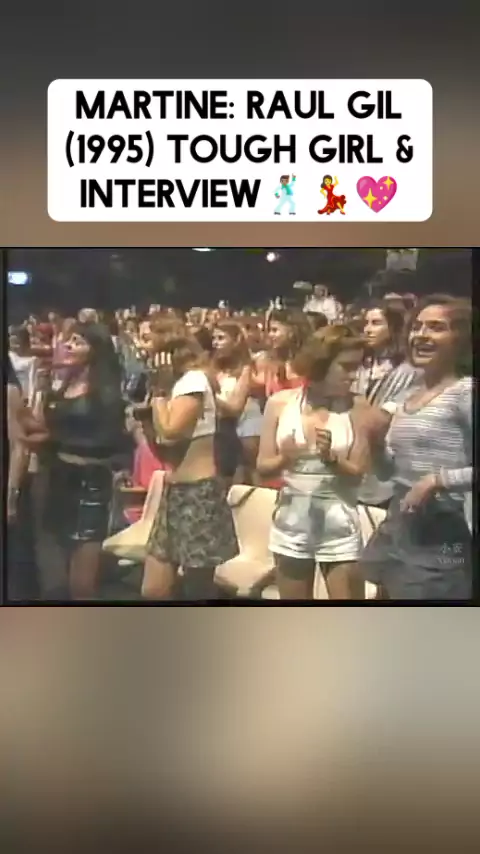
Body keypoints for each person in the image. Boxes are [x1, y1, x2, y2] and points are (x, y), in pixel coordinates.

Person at [358, 297, 473, 600]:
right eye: (417, 327)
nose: (421, 335)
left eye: (436, 327)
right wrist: (375, 444)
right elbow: (387, 473)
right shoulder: (408, 395)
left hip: (442, 532)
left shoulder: (466, 392)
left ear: (460, 338)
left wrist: (436, 481)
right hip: (399, 523)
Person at [257, 325, 378, 600]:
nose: (353, 376)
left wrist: (331, 459)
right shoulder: (279, 404)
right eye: (346, 367)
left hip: (340, 527)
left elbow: (358, 474)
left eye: (357, 367)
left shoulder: (359, 407)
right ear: (321, 364)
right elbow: (262, 469)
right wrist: (286, 458)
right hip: (291, 524)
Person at [143, 335, 238, 600]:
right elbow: (163, 446)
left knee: (197, 589)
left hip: (199, 494)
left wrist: (159, 394)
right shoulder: (174, 387)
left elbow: (171, 431)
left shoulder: (193, 381)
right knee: (154, 589)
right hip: (173, 493)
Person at [41, 322, 126, 600]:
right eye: (69, 340)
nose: (69, 346)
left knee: (82, 582)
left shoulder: (105, 393)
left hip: (90, 482)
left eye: (78, 342)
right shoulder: (63, 385)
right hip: (59, 477)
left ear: (95, 350)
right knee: (62, 566)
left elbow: (110, 441)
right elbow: (49, 429)